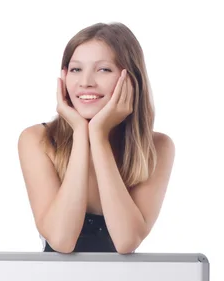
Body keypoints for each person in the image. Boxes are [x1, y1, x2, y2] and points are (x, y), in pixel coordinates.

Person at [18, 22, 175, 254]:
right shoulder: (37, 139)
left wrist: (98, 137)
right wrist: (81, 133)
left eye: (103, 69)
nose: (86, 82)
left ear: (131, 80)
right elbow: (62, 240)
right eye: (76, 69)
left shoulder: (157, 147)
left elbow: (126, 241)